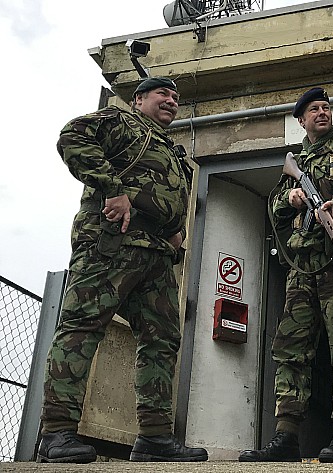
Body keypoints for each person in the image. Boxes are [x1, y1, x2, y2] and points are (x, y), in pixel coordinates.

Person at [38, 77, 208, 463]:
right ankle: (57, 433)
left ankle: (154, 438)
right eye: (162, 94)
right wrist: (111, 188)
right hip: (110, 246)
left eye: (175, 97)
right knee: (82, 328)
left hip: (156, 256)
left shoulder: (172, 148)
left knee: (163, 341)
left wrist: (177, 232)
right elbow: (72, 137)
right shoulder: (120, 122)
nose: (171, 100)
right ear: (139, 99)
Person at [238, 87, 333, 463]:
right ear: (301, 120)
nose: (322, 112)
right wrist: (291, 199)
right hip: (302, 268)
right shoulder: (295, 166)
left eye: (326, 107)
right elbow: (273, 209)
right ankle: (286, 435)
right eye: (314, 110)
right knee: (291, 349)